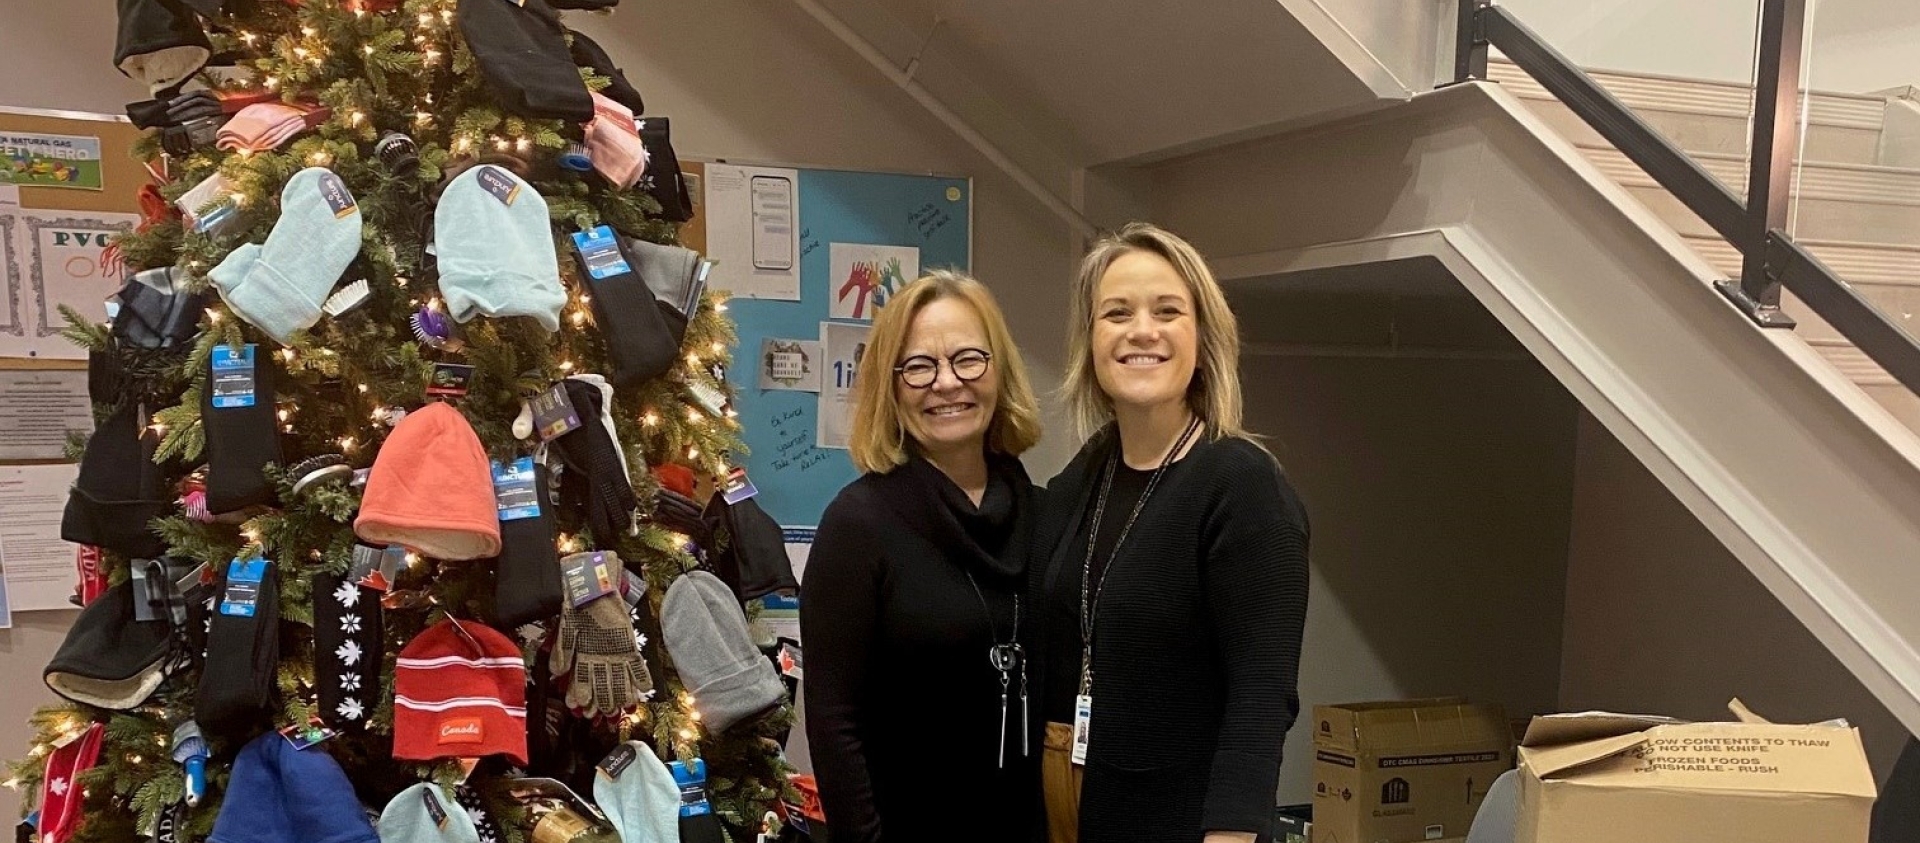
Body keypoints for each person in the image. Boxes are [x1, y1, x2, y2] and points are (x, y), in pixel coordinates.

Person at [1035, 223, 1310, 843]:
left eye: (1167, 311)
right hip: (1081, 811)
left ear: (1201, 337)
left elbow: (1262, 697)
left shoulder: (1243, 487)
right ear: (1092, 339)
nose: (1142, 331)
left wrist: (1232, 835)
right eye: (1116, 313)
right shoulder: (1084, 480)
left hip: (1189, 824)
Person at [803, 270, 1046, 842]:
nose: (946, 383)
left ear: (999, 371)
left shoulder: (1043, 513)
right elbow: (835, 725)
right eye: (919, 366)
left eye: (968, 359)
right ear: (891, 386)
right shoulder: (858, 524)